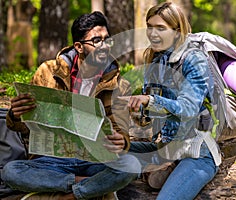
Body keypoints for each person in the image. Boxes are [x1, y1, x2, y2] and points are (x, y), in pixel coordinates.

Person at [2, 11, 141, 200]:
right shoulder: (48, 72)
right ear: (79, 46)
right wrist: (16, 115)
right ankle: (88, 186)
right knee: (11, 171)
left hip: (95, 161)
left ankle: (69, 196)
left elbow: (121, 131)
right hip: (52, 162)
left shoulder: (119, 84)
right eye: (97, 41)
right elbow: (21, 126)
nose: (105, 47)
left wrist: (121, 141)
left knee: (131, 166)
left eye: (108, 40)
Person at [125, 2, 221, 200]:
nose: (152, 33)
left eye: (160, 28)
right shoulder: (155, 60)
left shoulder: (193, 59)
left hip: (195, 153)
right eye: (150, 27)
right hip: (167, 149)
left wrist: (149, 100)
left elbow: (187, 109)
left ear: (177, 31)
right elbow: (152, 115)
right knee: (106, 152)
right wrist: (133, 108)